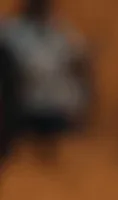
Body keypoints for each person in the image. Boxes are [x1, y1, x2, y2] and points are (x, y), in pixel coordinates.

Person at [0, 0, 91, 161]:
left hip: (57, 113)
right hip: (23, 113)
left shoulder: (61, 33)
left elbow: (81, 68)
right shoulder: (11, 32)